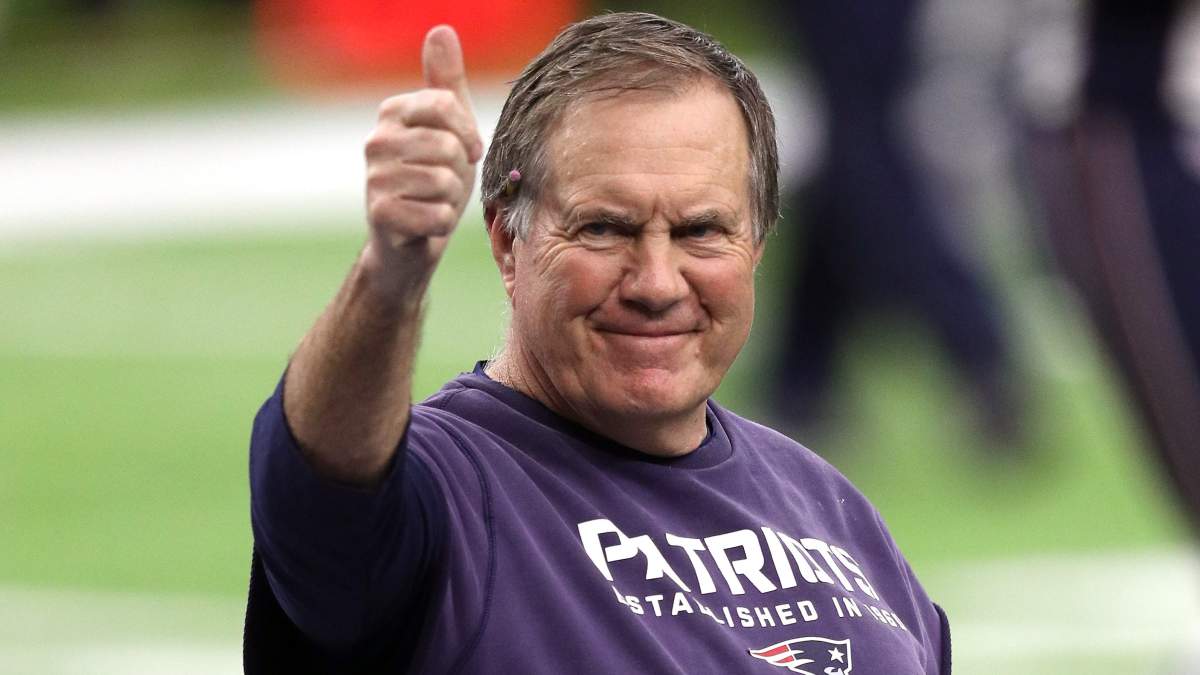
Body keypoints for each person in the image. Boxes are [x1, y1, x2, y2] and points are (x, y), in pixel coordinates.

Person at [244, 12, 951, 674]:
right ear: (508, 241)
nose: (656, 283)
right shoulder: (446, 495)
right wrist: (391, 274)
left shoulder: (834, 511)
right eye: (605, 229)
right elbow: (323, 484)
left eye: (700, 230)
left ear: (757, 246)